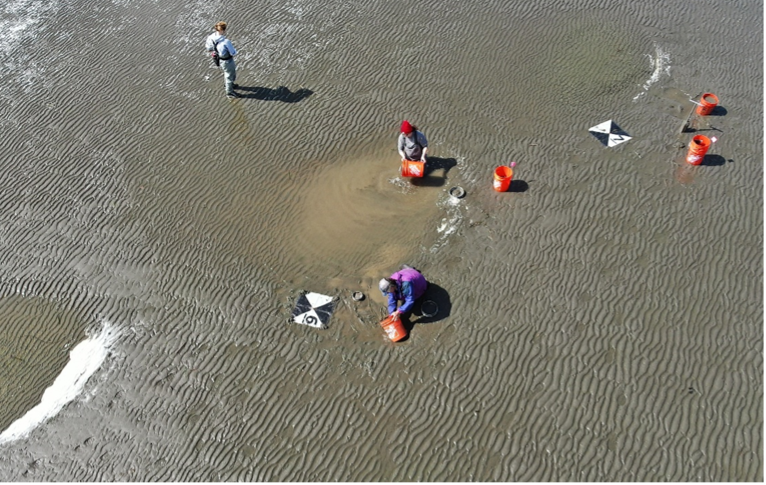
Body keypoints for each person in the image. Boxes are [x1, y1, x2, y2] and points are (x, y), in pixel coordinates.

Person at [205, 22, 239, 98]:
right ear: (223, 30)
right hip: (227, 60)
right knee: (230, 74)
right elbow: (233, 53)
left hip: (219, 59)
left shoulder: (211, 37)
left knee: (227, 73)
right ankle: (229, 92)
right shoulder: (226, 42)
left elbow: (208, 48)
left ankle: (229, 85)